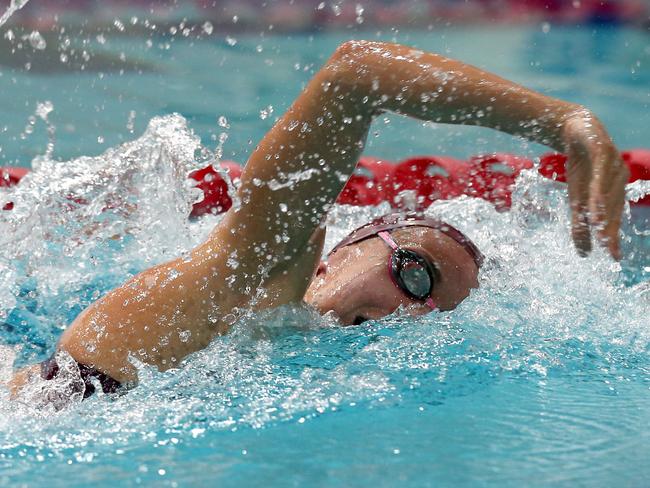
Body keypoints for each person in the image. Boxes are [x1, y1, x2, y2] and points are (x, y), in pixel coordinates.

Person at [7, 40, 628, 401]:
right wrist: (563, 123)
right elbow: (353, 75)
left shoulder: (282, 361)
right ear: (336, 251)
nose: (414, 313)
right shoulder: (248, 279)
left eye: (437, 312)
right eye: (416, 276)